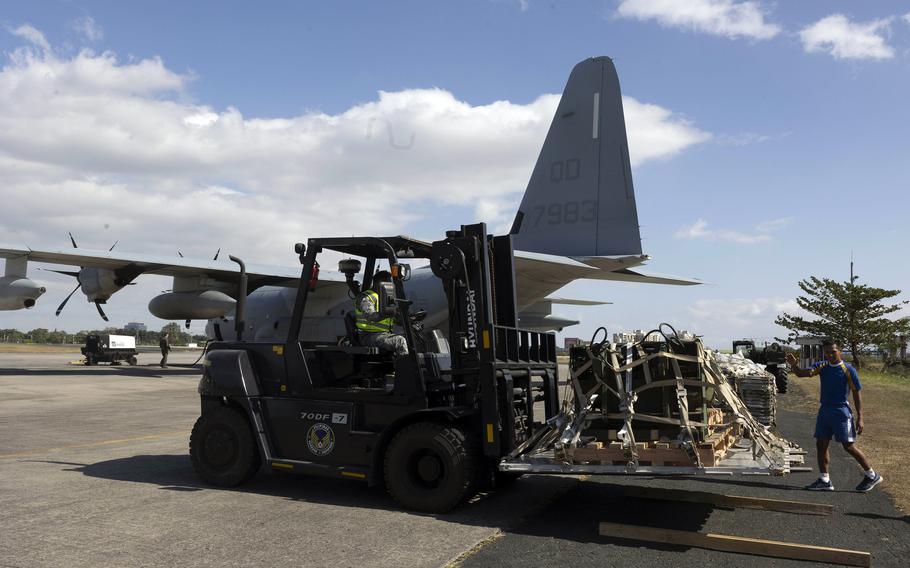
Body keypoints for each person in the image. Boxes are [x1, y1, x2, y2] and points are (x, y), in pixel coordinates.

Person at [787, 340, 883, 492]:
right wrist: (794, 365)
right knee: (821, 444)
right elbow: (801, 374)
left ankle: (872, 475)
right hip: (824, 411)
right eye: (827, 352)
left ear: (840, 350)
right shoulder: (822, 366)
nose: (830, 355)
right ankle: (824, 480)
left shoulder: (848, 370)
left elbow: (857, 393)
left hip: (841, 413)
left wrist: (861, 418)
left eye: (833, 351)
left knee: (848, 446)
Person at [354, 270, 408, 357]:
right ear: (379, 282)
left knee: (410, 339)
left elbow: (392, 319)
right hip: (368, 336)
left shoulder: (383, 298)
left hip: (383, 335)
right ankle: (407, 368)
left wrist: (405, 319)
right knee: (399, 341)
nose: (389, 286)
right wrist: (387, 313)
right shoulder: (366, 297)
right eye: (387, 283)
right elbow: (371, 316)